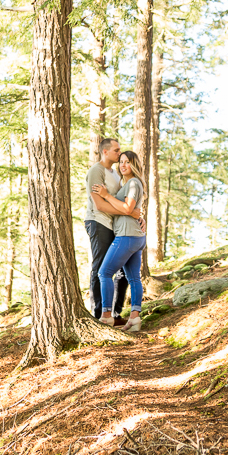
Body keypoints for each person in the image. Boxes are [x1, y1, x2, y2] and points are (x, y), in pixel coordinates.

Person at [84, 139, 139, 325]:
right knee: (100, 268)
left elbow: (123, 201)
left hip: (115, 226)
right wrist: (128, 211)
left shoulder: (115, 174)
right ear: (105, 152)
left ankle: (115, 313)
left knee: (122, 271)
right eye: (116, 150)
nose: (120, 153)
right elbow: (99, 205)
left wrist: (133, 212)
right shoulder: (96, 171)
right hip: (99, 223)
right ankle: (99, 313)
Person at [92, 150, 147, 332]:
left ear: (134, 165)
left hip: (127, 236)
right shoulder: (129, 183)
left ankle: (106, 317)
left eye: (127, 162)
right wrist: (135, 213)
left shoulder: (133, 182)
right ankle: (134, 319)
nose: (123, 165)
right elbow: (130, 209)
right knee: (133, 278)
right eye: (121, 162)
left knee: (104, 273)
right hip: (136, 236)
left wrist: (107, 196)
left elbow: (127, 207)